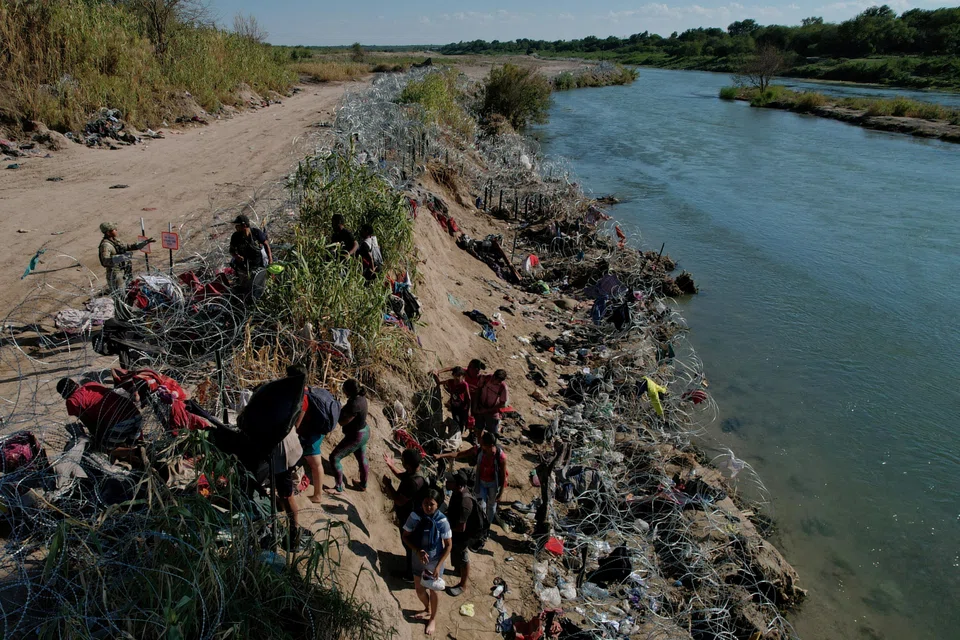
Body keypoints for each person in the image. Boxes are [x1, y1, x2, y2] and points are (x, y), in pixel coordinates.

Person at [402, 489, 453, 636]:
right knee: (419, 589)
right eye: (425, 503)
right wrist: (417, 550)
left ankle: (433, 618)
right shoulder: (415, 516)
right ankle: (427, 608)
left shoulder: (442, 520)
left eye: (431, 504)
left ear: (438, 505)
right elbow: (405, 536)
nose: (428, 507)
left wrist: (438, 566)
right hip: (418, 558)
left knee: (434, 590)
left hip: (435, 559)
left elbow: (448, 544)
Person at [435, 432, 507, 532]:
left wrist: (501, 493)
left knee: (491, 507)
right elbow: (459, 454)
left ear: (490, 445)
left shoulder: (500, 456)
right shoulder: (478, 449)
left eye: (483, 443)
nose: (480, 444)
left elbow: (503, 476)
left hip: (493, 484)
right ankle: (480, 525)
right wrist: (441, 456)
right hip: (481, 482)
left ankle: (486, 528)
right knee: (480, 506)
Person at [57, 377, 143, 449]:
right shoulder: (90, 385)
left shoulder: (72, 401)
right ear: (76, 384)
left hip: (120, 423)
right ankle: (135, 452)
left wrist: (96, 439)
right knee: (131, 444)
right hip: (136, 416)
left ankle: (132, 453)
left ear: (63, 394)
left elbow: (90, 424)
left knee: (104, 448)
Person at [383, 448, 426, 582]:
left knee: (409, 544)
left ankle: (411, 575)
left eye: (402, 460)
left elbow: (399, 501)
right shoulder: (416, 472)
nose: (400, 461)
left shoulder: (413, 483)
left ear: (408, 464)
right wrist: (391, 465)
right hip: (411, 516)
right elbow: (403, 476)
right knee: (409, 544)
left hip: (411, 519)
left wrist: (389, 486)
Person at [297, 381, 341, 504]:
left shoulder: (304, 398)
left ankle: (317, 495)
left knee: (316, 465)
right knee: (314, 463)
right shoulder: (312, 390)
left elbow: (298, 424)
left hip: (313, 434)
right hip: (320, 430)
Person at [325, 379, 369, 494]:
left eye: (344, 389)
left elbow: (343, 422)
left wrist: (335, 413)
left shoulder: (354, 404)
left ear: (348, 391)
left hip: (356, 436)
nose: (342, 390)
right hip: (364, 431)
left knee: (334, 458)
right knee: (362, 458)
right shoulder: (361, 398)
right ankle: (363, 484)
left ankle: (338, 487)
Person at [444, 469, 481, 596]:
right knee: (455, 551)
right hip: (456, 531)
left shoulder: (465, 502)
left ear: (458, 484)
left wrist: (444, 528)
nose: (447, 482)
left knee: (463, 556)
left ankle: (463, 585)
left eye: (450, 481)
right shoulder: (456, 492)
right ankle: (458, 570)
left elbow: (461, 528)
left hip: (464, 535)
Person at [98, 222, 152, 292]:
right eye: (114, 229)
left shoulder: (116, 241)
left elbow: (128, 247)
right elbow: (105, 261)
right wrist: (122, 257)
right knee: (121, 295)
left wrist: (142, 244)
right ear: (108, 232)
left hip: (125, 271)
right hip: (116, 274)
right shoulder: (106, 245)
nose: (116, 230)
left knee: (129, 292)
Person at [229, 214, 271, 280]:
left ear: (244, 225)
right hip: (243, 266)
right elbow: (231, 250)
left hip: (258, 263)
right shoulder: (235, 236)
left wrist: (270, 261)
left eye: (237, 225)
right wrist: (237, 256)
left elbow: (266, 244)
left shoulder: (256, 233)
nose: (236, 227)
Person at [432, 367, 471, 435]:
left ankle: (459, 435)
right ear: (453, 376)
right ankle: (454, 434)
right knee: (455, 421)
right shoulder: (450, 382)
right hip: (454, 406)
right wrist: (435, 375)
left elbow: (468, 398)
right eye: (456, 376)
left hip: (462, 407)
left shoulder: (464, 385)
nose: (457, 379)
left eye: (459, 376)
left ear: (463, 376)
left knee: (462, 422)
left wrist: (469, 410)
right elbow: (439, 383)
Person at [473, 369, 509, 436]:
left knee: (492, 434)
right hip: (480, 407)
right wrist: (475, 406)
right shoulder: (486, 378)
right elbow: (478, 390)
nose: (493, 380)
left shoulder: (503, 388)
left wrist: (487, 410)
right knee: (478, 429)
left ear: (500, 381)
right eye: (493, 377)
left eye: (496, 380)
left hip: (492, 412)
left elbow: (502, 404)